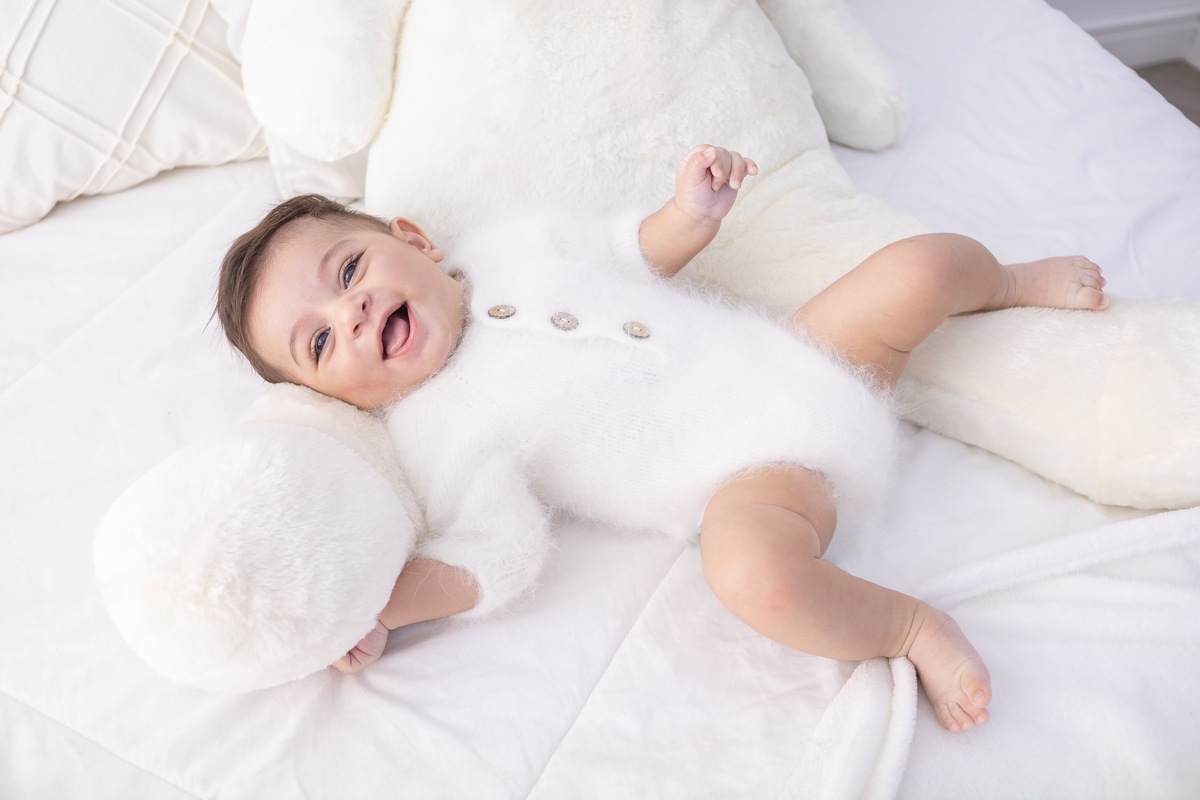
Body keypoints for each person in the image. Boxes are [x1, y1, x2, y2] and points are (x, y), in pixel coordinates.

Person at [217, 145, 1108, 733]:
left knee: (924, 263)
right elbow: (495, 550)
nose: (354, 309)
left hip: (807, 359)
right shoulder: (438, 433)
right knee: (752, 578)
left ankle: (1006, 279)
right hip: (754, 482)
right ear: (343, 400)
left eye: (348, 270)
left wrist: (691, 212)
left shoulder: (513, 246)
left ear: (411, 240)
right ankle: (908, 627)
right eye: (322, 341)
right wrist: (382, 605)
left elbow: (629, 249)